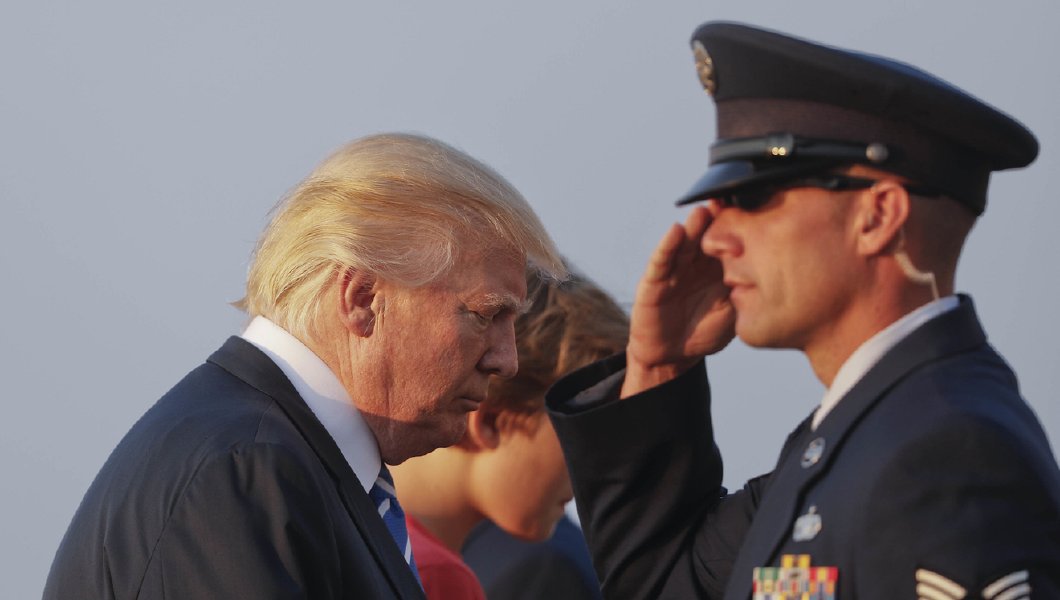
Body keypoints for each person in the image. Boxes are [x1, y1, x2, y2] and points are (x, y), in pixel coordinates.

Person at [546, 22, 1060, 600]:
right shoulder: (854, 435)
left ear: (877, 216)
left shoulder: (948, 453)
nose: (713, 237)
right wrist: (658, 366)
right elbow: (664, 585)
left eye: (751, 197)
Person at [43, 132, 566, 600]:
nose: (508, 360)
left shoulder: (275, 458)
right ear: (362, 299)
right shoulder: (247, 471)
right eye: (484, 315)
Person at [392, 268, 625, 600]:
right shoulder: (431, 576)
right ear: (493, 422)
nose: (604, 467)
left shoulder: (342, 525)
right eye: (587, 435)